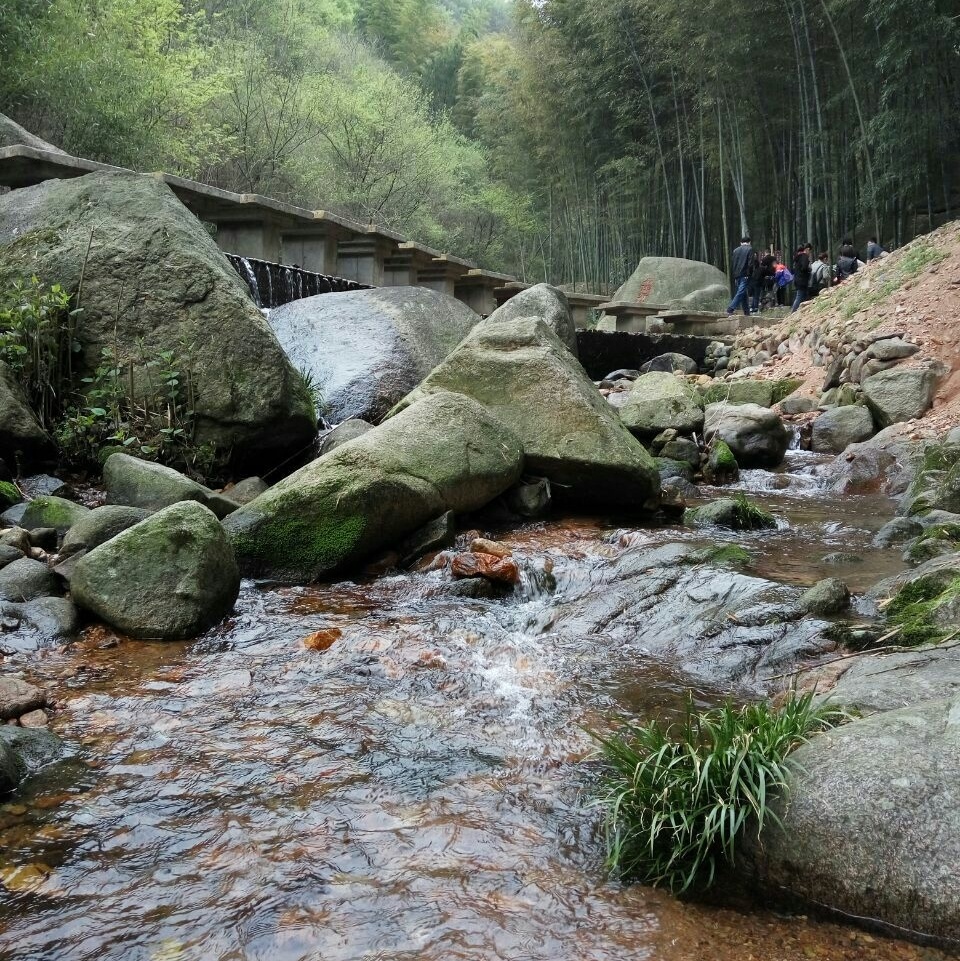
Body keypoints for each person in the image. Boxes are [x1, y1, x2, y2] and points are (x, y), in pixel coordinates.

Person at [727, 236, 756, 316]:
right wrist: (748, 274)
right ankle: (730, 308)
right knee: (741, 291)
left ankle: (747, 312)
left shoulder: (735, 250)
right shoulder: (750, 249)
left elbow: (733, 264)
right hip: (745, 274)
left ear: (741, 243)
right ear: (749, 242)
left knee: (743, 293)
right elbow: (750, 264)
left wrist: (734, 275)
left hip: (737, 274)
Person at [791, 243, 813, 312]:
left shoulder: (798, 257)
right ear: (807, 249)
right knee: (799, 296)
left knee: (803, 296)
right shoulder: (804, 257)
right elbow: (804, 268)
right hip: (802, 280)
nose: (810, 253)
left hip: (797, 279)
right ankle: (793, 312)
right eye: (810, 251)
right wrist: (809, 269)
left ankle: (800, 312)